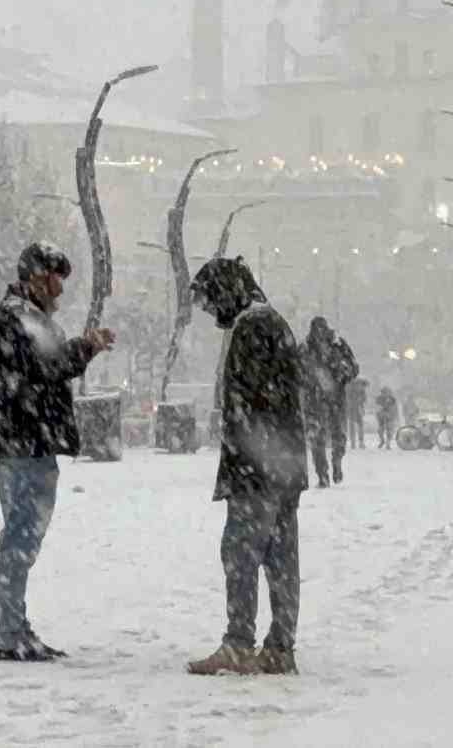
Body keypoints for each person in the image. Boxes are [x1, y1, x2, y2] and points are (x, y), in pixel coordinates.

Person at [0, 242, 114, 662]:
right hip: (24, 443)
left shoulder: (25, 316)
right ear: (36, 277)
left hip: (28, 441)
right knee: (20, 540)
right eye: (54, 278)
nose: (59, 289)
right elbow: (49, 365)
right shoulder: (17, 316)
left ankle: (15, 627)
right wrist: (86, 347)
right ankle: (10, 632)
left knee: (23, 539)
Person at [185, 257, 308, 676]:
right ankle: (280, 646)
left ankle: (239, 643)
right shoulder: (273, 322)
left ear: (225, 292)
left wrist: (244, 465)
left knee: (239, 553)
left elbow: (250, 408)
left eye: (208, 300)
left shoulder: (252, 327)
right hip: (284, 465)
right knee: (280, 558)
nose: (208, 310)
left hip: (258, 469)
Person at [300, 317, 358, 487]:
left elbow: (353, 368)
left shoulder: (333, 345)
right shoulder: (309, 348)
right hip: (321, 399)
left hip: (328, 398)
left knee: (329, 436)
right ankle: (324, 472)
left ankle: (332, 466)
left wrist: (339, 373)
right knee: (322, 436)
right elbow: (294, 371)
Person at [345, 377, 368, 452]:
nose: (360, 386)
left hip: (358, 409)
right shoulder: (349, 390)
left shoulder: (362, 391)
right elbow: (347, 399)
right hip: (351, 409)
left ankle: (361, 441)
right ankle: (353, 442)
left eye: (361, 385)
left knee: (360, 425)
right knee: (352, 425)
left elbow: (365, 399)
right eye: (359, 384)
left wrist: (361, 401)